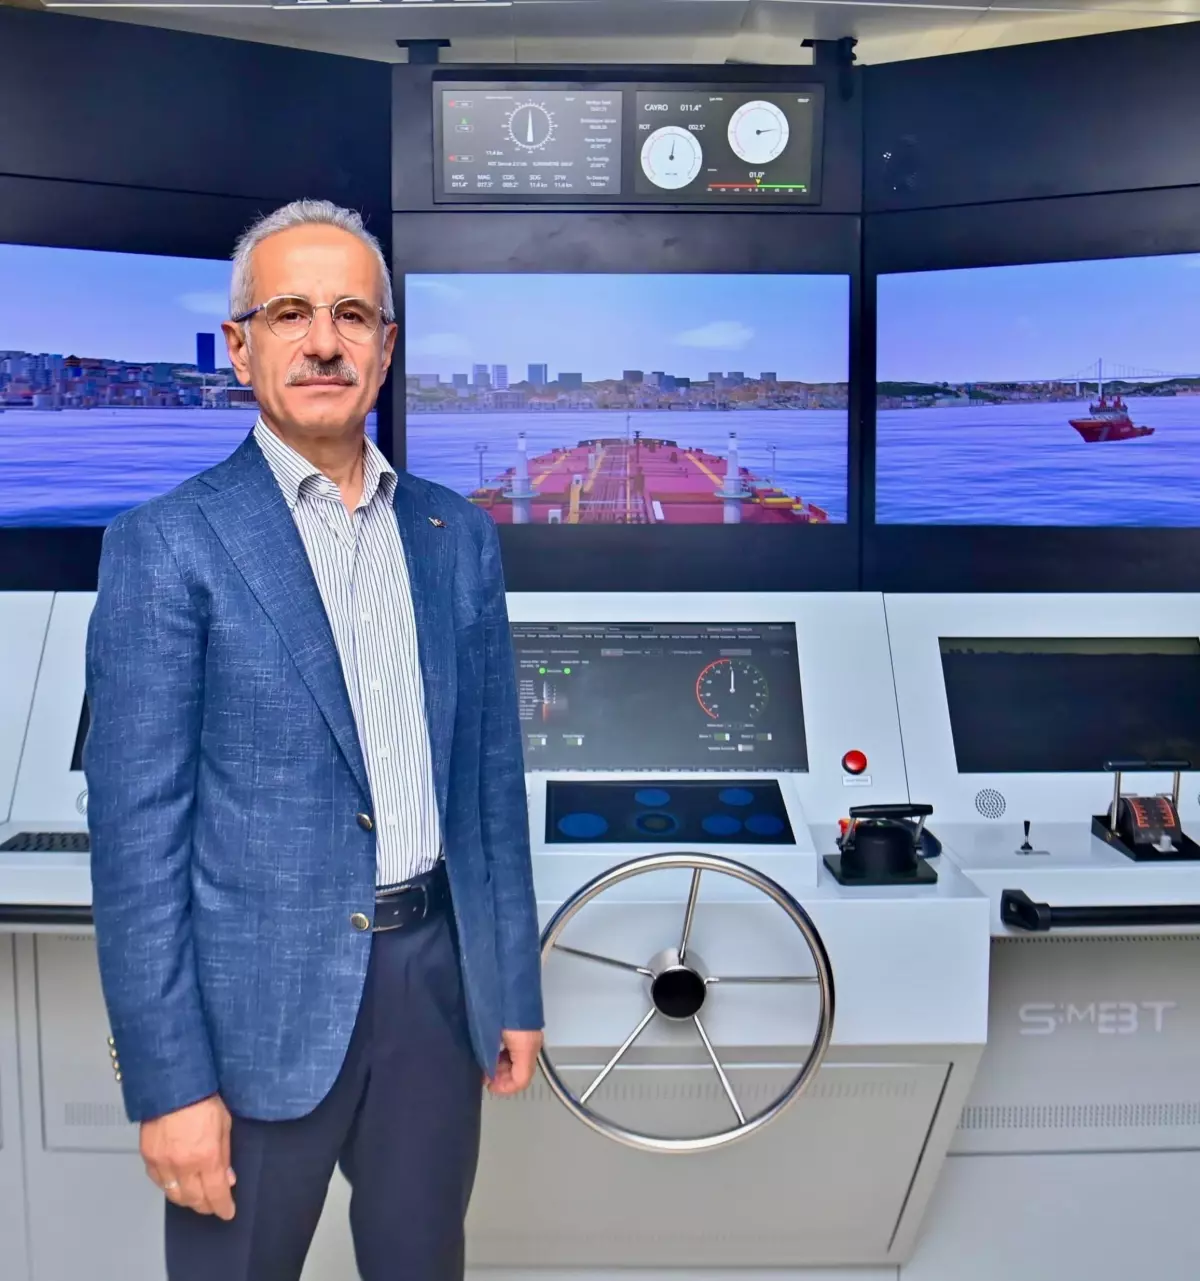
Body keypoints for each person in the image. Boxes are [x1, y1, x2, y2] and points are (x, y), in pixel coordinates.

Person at [84, 199, 544, 1281]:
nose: (324, 341)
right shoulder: (166, 545)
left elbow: (488, 785)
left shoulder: (457, 537)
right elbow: (137, 847)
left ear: (386, 349)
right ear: (241, 346)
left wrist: (510, 986)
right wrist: (169, 1085)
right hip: (255, 1014)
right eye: (290, 313)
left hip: (435, 993)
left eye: (352, 316)